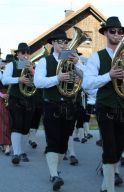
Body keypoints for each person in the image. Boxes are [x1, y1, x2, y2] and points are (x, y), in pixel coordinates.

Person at [82, 16, 124, 192]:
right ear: (106, 33)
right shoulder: (96, 57)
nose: (117, 34)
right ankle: (109, 187)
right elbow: (87, 83)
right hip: (106, 107)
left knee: (119, 146)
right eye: (113, 31)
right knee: (109, 146)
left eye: (120, 32)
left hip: (123, 107)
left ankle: (108, 178)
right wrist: (109, 75)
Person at [34, 28, 84, 191]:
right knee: (53, 140)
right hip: (52, 105)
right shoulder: (45, 61)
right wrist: (58, 78)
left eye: (65, 42)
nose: (63, 44)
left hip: (70, 105)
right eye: (59, 42)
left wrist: (78, 70)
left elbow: (86, 77)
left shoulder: (72, 60)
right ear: (53, 43)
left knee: (63, 142)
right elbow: (38, 82)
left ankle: (56, 170)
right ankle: (54, 174)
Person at [2, 43, 35, 164]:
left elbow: (38, 81)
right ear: (18, 54)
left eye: (27, 52)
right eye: (23, 53)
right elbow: (4, 79)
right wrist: (19, 79)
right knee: (16, 124)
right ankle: (16, 153)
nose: (25, 55)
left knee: (26, 126)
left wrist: (32, 71)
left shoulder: (32, 66)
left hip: (29, 98)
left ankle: (22, 151)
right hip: (15, 97)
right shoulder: (11, 65)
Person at [0, 54, 14, 156]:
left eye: (11, 63)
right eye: (7, 63)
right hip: (2, 97)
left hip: (12, 97)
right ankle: (6, 145)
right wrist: (2, 95)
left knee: (10, 122)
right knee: (5, 122)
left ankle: (5, 143)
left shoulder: (14, 73)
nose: (9, 64)